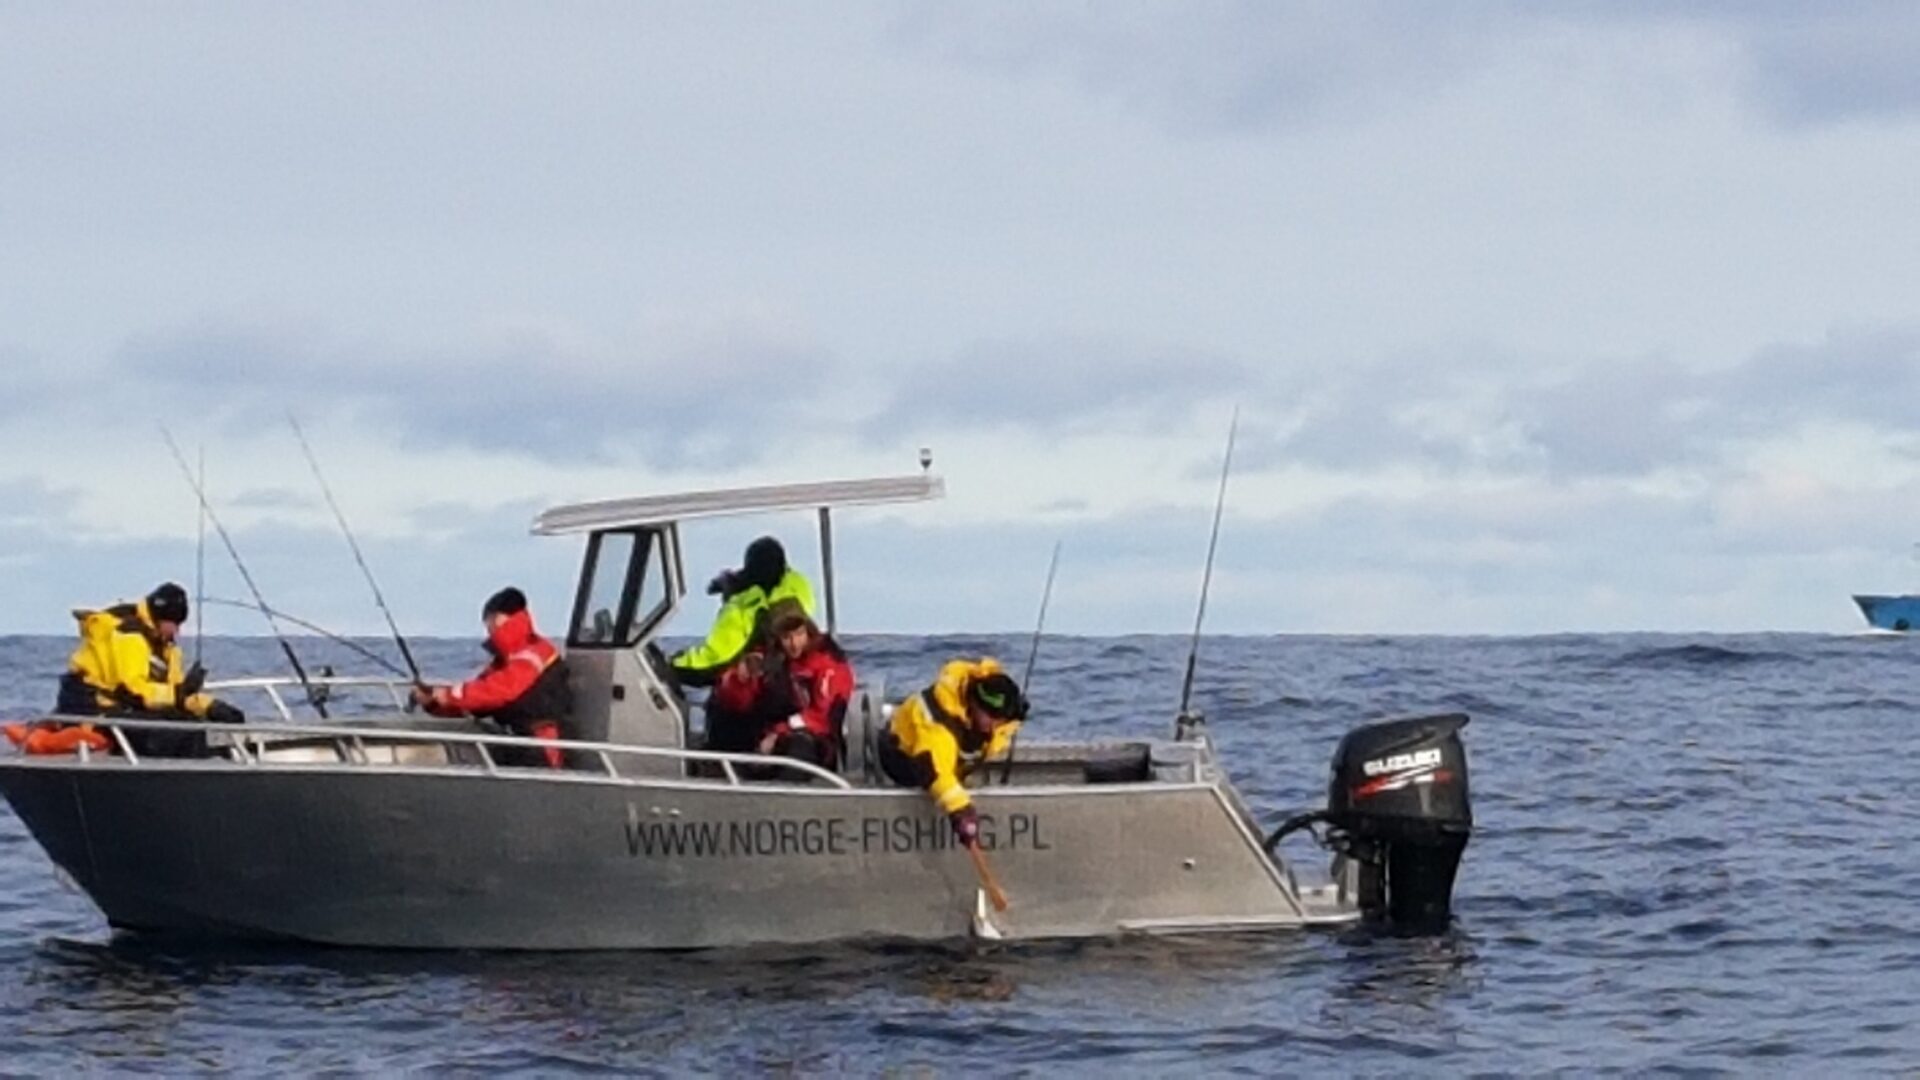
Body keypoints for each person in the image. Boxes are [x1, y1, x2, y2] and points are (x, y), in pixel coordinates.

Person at [3, 582, 244, 758]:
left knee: (192, 722)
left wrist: (209, 706)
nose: (177, 631)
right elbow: (134, 690)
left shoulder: (165, 647)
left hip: (123, 709)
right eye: (174, 624)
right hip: (96, 711)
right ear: (160, 618)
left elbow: (174, 690)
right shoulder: (129, 637)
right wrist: (179, 694)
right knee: (177, 735)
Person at [413, 587, 573, 769]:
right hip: (515, 743)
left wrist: (448, 695)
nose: (488, 629)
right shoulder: (503, 661)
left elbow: (500, 690)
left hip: (542, 747)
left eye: (488, 622)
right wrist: (433, 702)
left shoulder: (534, 653)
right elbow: (478, 700)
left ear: (497, 618)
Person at [879, 658, 1027, 846]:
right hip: (904, 760)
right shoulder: (939, 725)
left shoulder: (986, 719)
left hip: (950, 762)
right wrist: (961, 810)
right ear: (974, 704)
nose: (995, 726)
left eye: (1001, 720)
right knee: (933, 772)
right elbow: (933, 769)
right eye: (992, 718)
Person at [671, 536, 815, 687]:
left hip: (761, 685)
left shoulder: (744, 609)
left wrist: (674, 663)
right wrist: (736, 581)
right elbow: (769, 576)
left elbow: (714, 660)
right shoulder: (799, 586)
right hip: (792, 676)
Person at [753, 598, 853, 772]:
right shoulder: (774, 663)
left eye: (799, 634)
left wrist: (779, 731)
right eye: (786, 637)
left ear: (808, 630)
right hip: (776, 733)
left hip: (820, 741)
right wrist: (741, 677)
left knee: (799, 746)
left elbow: (822, 717)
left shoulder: (828, 662)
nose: (794, 643)